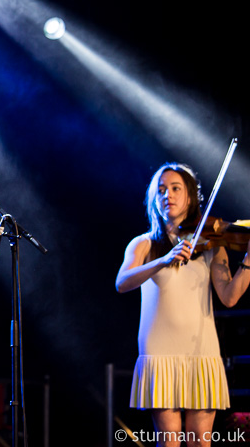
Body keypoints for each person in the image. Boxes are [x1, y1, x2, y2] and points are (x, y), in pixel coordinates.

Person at [115, 162, 250, 447]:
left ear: (190, 196)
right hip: (159, 352)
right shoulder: (143, 244)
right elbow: (122, 282)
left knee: (201, 442)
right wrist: (163, 259)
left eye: (176, 188)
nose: (168, 195)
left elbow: (229, 296)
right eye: (161, 190)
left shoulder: (211, 243)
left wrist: (248, 261)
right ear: (154, 199)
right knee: (169, 442)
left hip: (201, 350)